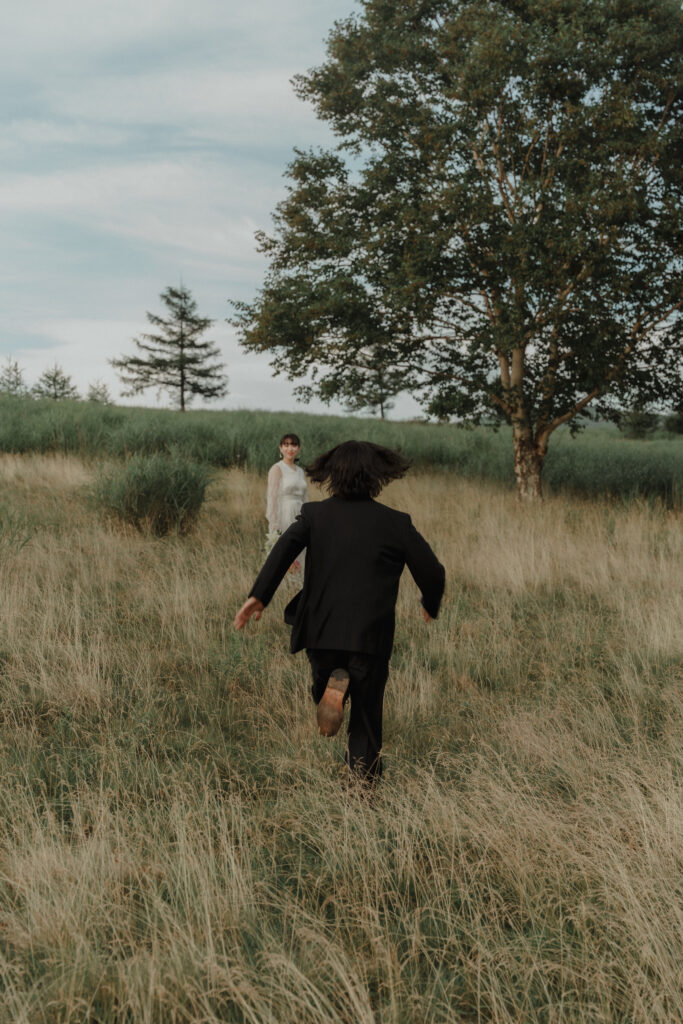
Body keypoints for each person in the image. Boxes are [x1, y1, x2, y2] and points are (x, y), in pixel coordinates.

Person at [234, 440, 445, 783]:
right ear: (378, 477)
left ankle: (331, 688)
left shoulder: (316, 514)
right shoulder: (395, 523)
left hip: (320, 629)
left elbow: (285, 547)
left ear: (332, 473)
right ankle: (362, 785)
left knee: (324, 685)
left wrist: (260, 595)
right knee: (366, 713)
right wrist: (429, 601)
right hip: (369, 635)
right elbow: (433, 572)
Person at [266, 432, 308, 572]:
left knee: (301, 553)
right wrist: (274, 525)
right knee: (285, 555)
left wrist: (308, 518)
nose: (290, 449)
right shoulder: (277, 469)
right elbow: (272, 498)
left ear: (299, 448)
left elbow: (305, 497)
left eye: (294, 445)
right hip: (284, 513)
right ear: (280, 448)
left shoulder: (300, 471)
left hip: (299, 515)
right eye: (286, 445)